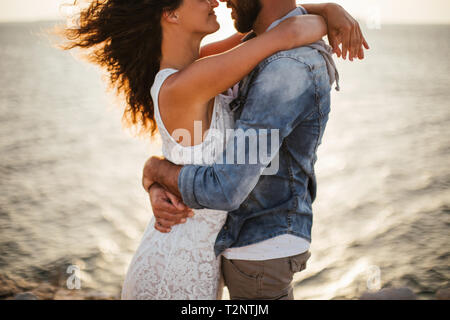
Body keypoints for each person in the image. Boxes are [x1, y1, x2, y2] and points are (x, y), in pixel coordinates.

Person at [141, 0, 369, 300]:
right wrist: (153, 174)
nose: (219, 1)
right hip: (196, 252)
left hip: (256, 246)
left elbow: (225, 189)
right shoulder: (217, 62)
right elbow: (286, 29)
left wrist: (156, 172)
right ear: (170, 13)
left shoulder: (281, 65)